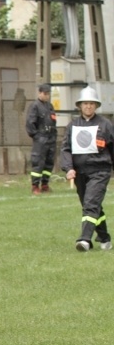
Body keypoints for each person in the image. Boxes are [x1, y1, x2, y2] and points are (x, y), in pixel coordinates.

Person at [60, 85, 114, 252]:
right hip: (80, 173)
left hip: (100, 172)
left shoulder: (106, 125)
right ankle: (104, 238)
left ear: (96, 106)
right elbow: (66, 149)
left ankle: (84, 240)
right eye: (85, 103)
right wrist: (68, 168)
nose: (88, 106)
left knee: (90, 203)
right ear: (79, 106)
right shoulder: (72, 126)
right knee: (91, 205)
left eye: (92, 103)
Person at [25, 83, 58, 194]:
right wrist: (37, 136)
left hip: (51, 138)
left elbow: (53, 122)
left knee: (49, 163)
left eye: (48, 94)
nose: (47, 96)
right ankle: (35, 186)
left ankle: (45, 184)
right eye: (45, 93)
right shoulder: (35, 106)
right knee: (38, 162)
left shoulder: (50, 106)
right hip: (41, 138)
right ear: (39, 93)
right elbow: (30, 123)